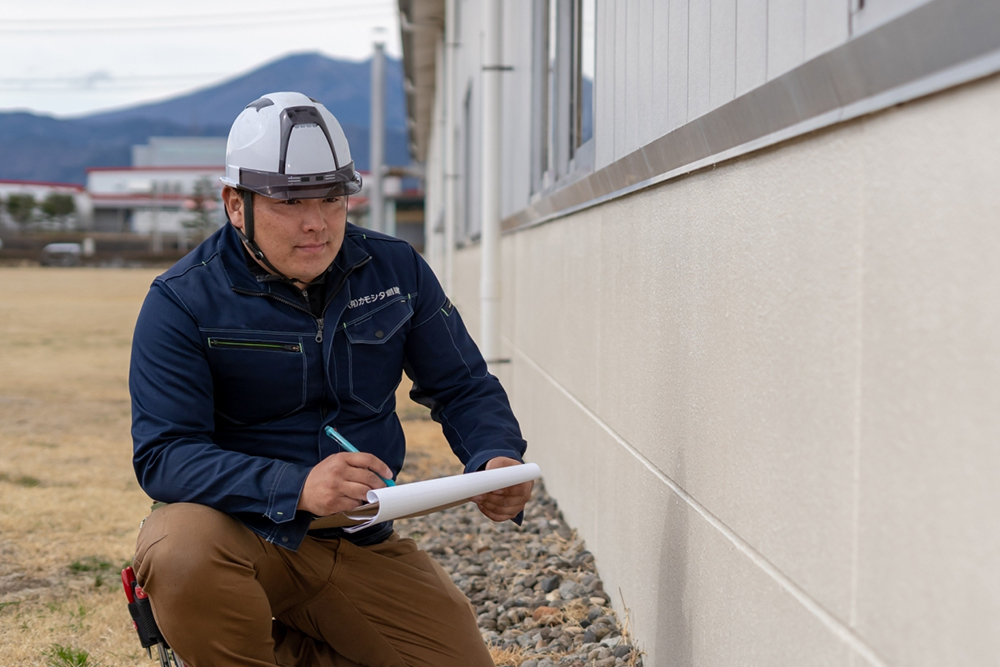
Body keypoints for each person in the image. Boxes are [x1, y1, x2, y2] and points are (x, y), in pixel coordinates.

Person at [128, 91, 532, 667]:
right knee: (179, 549)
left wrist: (494, 456)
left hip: (358, 540)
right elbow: (165, 455)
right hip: (240, 537)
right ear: (235, 204)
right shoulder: (181, 300)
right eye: (288, 202)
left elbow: (462, 385)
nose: (316, 223)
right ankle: (208, 640)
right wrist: (295, 486)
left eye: (332, 198)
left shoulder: (396, 269)